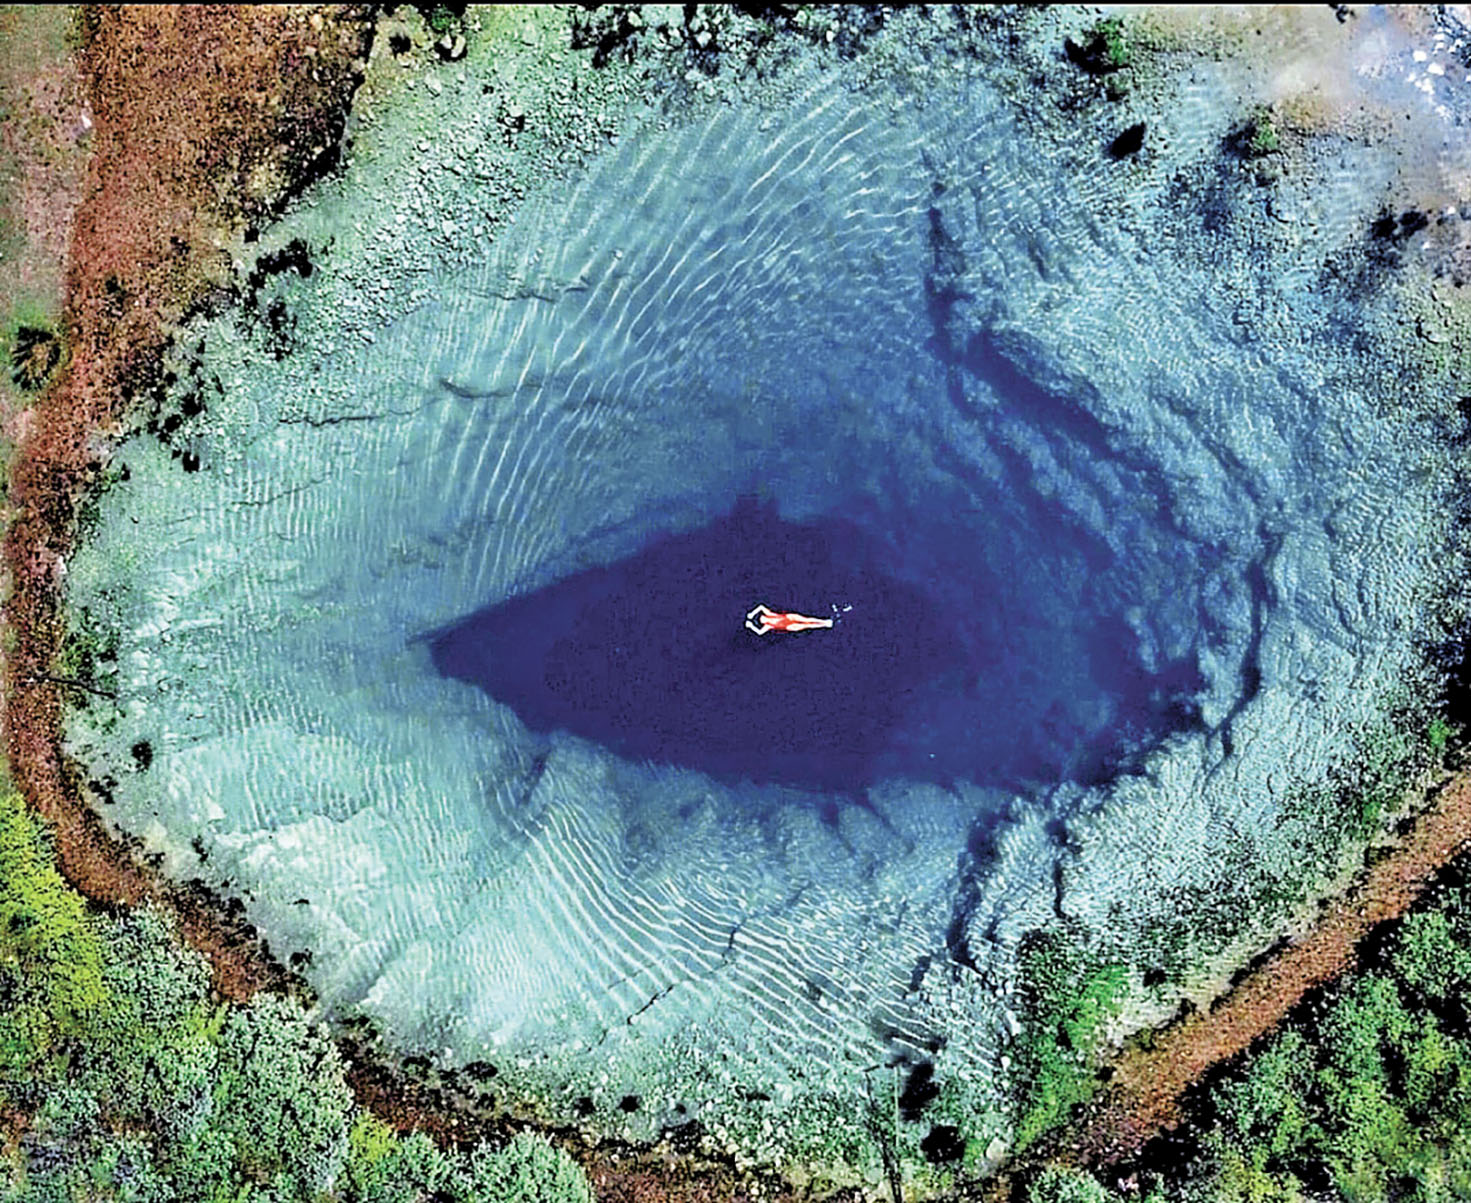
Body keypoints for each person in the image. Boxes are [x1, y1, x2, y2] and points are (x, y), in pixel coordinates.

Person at [745, 603, 835, 635]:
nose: (764, 619)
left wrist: (752, 614)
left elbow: (761, 607)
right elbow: (760, 632)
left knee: (806, 619)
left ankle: (824, 621)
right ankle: (824, 625)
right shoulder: (768, 626)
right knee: (807, 625)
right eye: (762, 620)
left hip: (788, 617)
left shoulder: (769, 614)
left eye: (763, 617)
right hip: (788, 626)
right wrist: (751, 626)